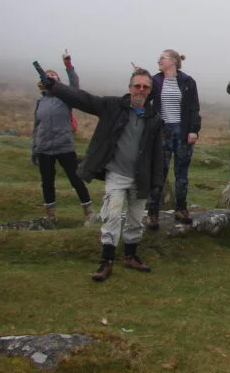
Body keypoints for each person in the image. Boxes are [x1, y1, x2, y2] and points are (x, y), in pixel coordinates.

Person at [43, 68, 163, 282]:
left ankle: (130, 256)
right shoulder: (112, 106)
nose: (141, 90)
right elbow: (84, 99)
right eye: (137, 86)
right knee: (113, 216)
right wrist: (56, 87)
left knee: (136, 220)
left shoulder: (153, 118)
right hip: (116, 174)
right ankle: (106, 262)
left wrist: (156, 181)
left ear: (150, 90)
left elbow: (157, 153)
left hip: (141, 177)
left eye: (145, 87)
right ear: (130, 87)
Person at [31, 49, 94, 225]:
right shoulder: (40, 102)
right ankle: (50, 216)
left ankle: (88, 212)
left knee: (75, 179)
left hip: (64, 146)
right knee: (47, 182)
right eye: (47, 74)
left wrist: (68, 64)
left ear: (57, 81)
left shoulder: (65, 98)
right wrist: (34, 150)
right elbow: (36, 128)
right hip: (44, 148)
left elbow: (74, 84)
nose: (49, 76)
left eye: (53, 75)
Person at [147, 49, 201, 229]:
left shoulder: (187, 82)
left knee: (181, 173)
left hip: (183, 130)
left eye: (162, 58)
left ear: (173, 61)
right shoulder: (155, 81)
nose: (158, 61)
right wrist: (140, 78)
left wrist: (194, 130)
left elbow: (194, 108)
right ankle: (152, 213)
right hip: (162, 131)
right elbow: (145, 99)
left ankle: (180, 209)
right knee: (158, 172)